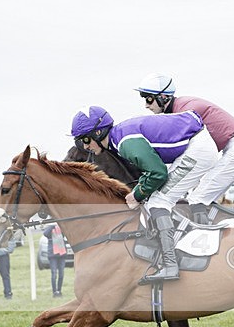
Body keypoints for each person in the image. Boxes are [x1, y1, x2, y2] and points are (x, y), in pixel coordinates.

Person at [70, 105, 218, 282]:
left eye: (86, 140)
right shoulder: (120, 138)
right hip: (197, 145)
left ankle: (170, 265)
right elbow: (151, 172)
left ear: (99, 133)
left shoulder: (124, 142)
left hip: (198, 149)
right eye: (80, 142)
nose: (85, 146)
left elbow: (158, 173)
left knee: (158, 202)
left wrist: (137, 195)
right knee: (155, 199)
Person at [136, 73, 234, 224]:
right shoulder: (179, 108)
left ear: (164, 97)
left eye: (148, 98)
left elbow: (183, 152)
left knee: (196, 199)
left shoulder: (184, 110)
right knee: (196, 197)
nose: (146, 105)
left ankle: (202, 236)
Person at [43, 224, 67, 297]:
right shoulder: (50, 229)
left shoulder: (61, 227)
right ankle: (54, 291)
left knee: (61, 274)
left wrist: (60, 224)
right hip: (53, 254)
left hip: (62, 254)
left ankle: (59, 290)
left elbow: (67, 232)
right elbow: (45, 234)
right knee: (54, 274)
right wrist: (52, 226)